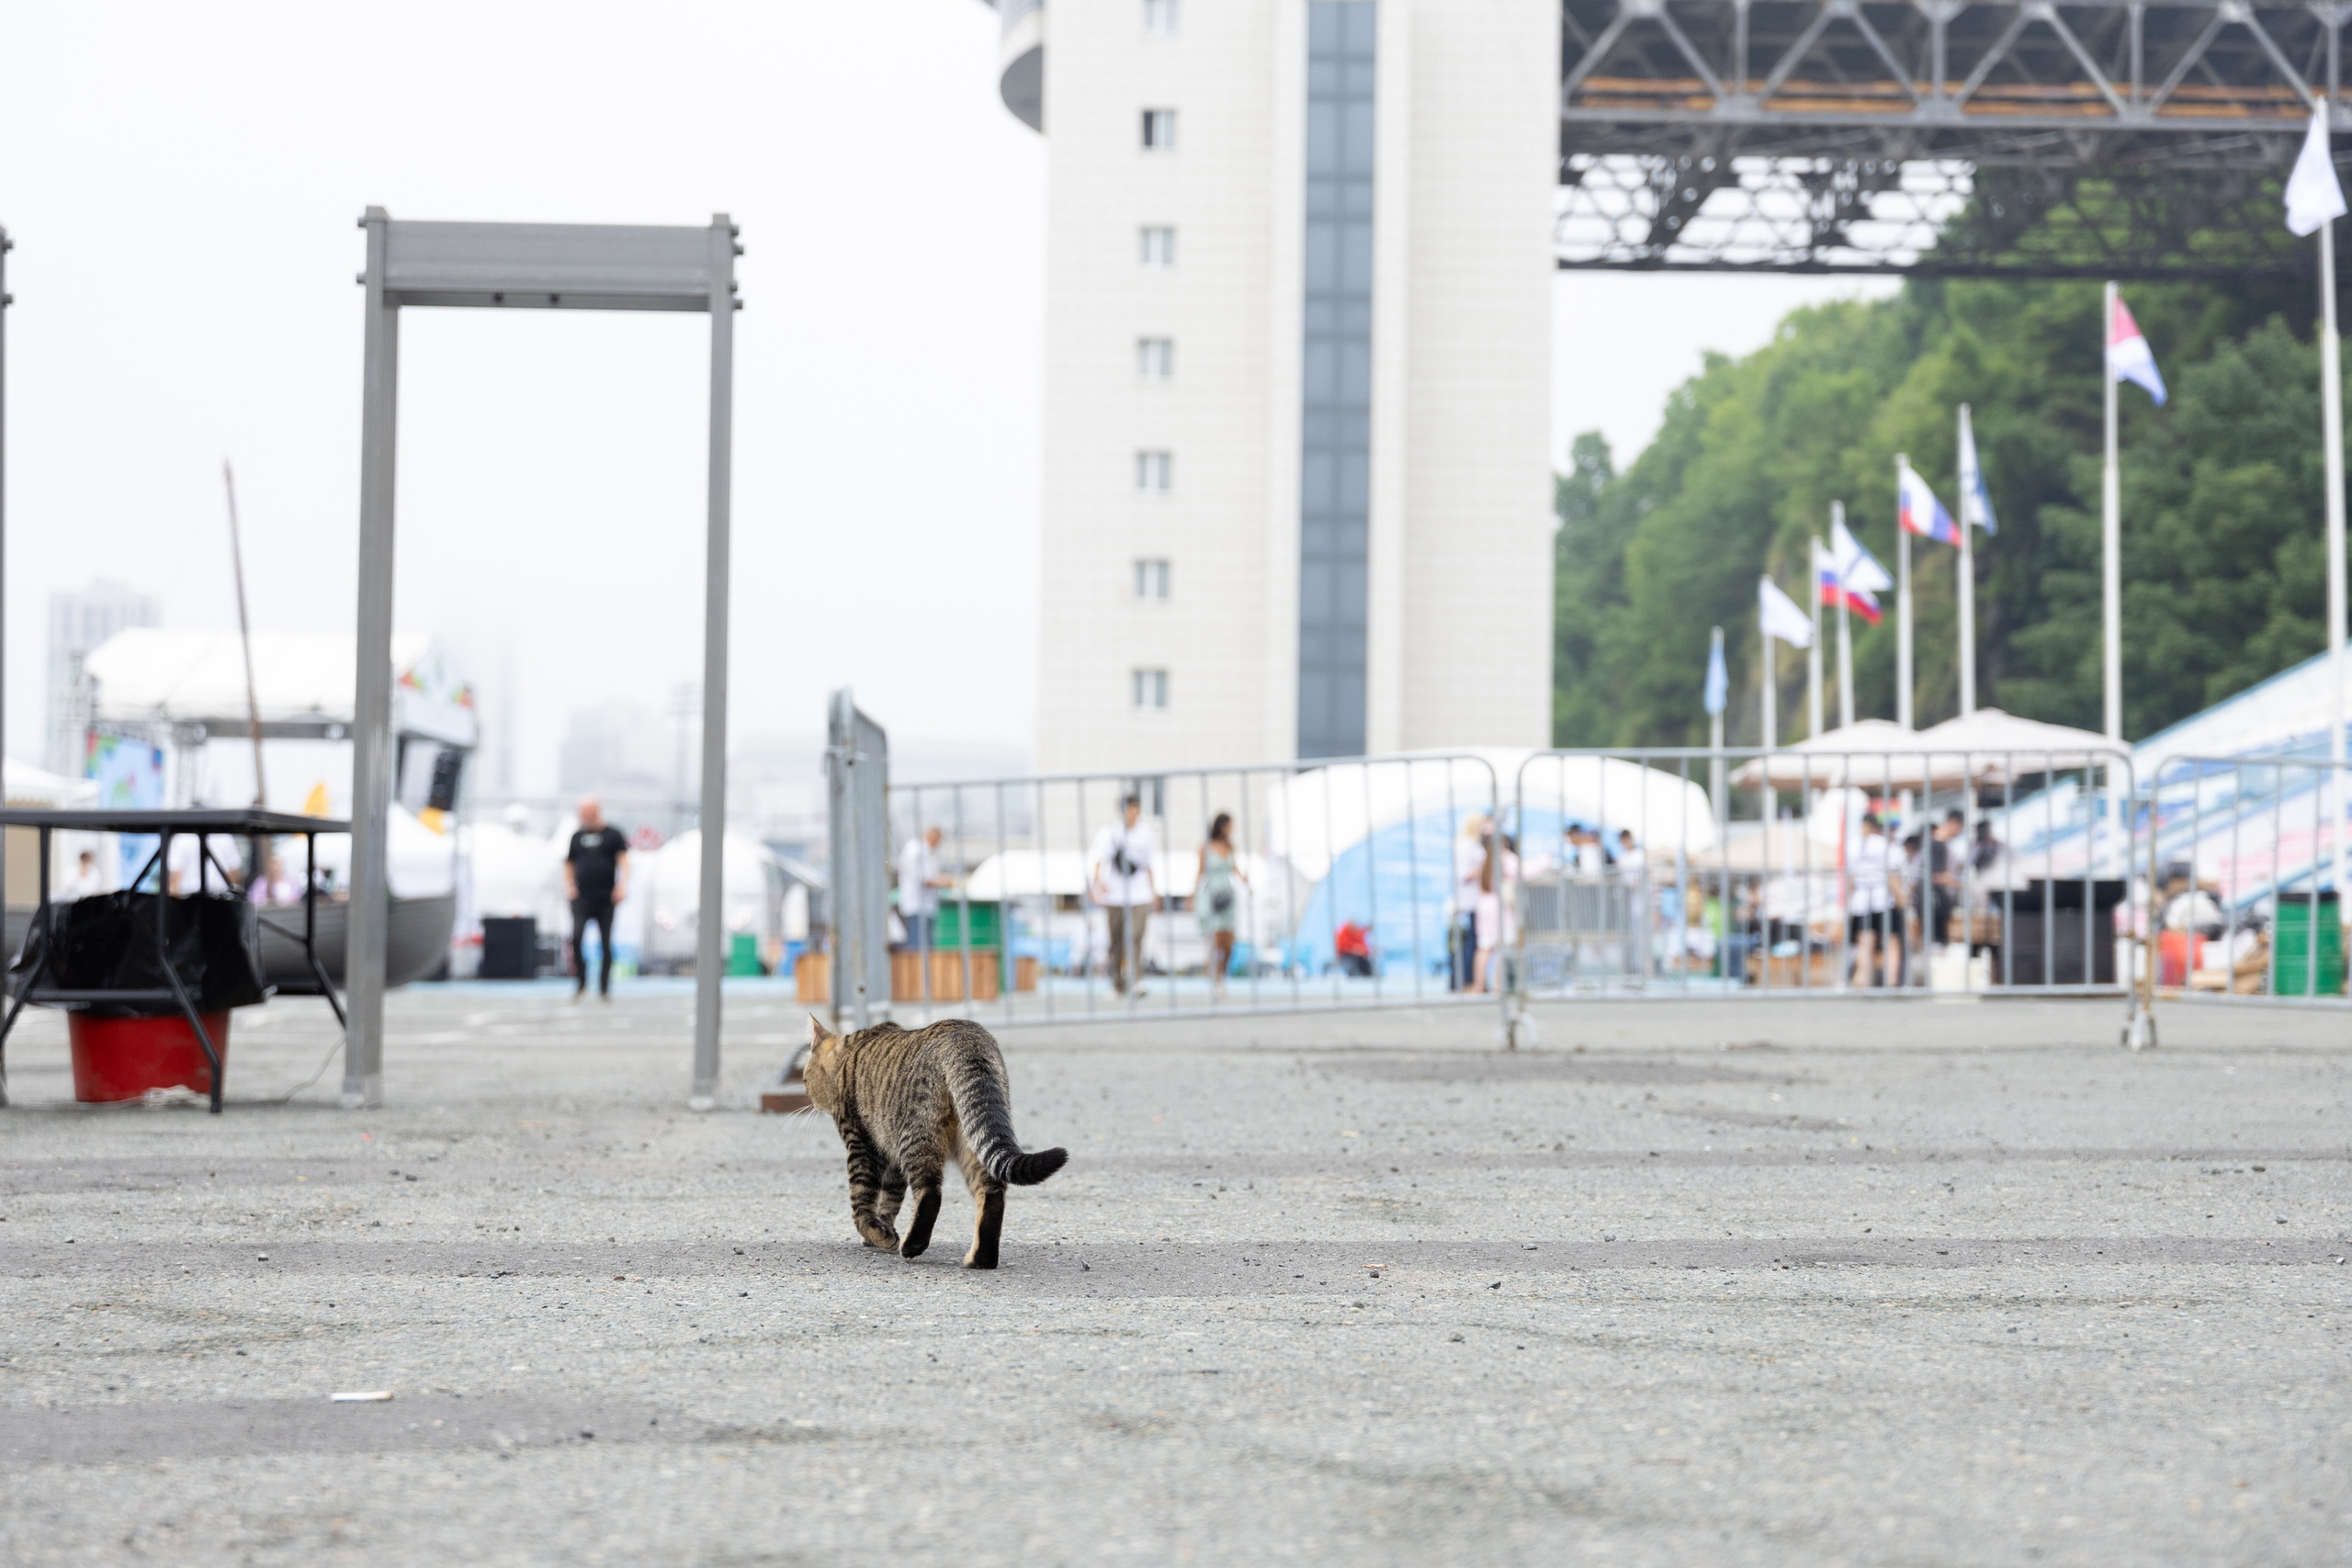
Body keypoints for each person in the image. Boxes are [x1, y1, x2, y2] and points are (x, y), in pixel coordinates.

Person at [1089, 794, 1159, 998]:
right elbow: (1099, 860)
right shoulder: (1110, 832)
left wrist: (1154, 891)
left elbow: (1149, 864)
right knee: (1116, 939)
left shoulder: (1146, 833)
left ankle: (1137, 980)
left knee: (1136, 935)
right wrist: (1097, 884)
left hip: (1140, 893)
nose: (1132, 812)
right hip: (1115, 894)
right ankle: (1117, 983)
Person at [563, 796, 629, 1002]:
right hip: (582, 898)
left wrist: (621, 886)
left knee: (605, 943)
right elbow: (569, 863)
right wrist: (570, 887)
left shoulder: (613, 834)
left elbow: (624, 862)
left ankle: (604, 987)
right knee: (576, 937)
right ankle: (581, 983)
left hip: (605, 898)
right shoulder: (576, 836)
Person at [1195, 812, 1248, 1000]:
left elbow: (1235, 868)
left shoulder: (1230, 847)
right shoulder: (1206, 847)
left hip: (1228, 898)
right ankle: (1215, 981)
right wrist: (1193, 896)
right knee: (1214, 940)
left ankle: (1222, 976)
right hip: (1211, 896)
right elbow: (1200, 872)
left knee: (1229, 942)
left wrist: (1245, 882)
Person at [1846, 813, 1899, 987]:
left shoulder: (1852, 846)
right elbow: (1892, 875)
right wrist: (1902, 899)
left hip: (1861, 900)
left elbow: (1850, 879)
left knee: (1865, 943)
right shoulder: (1883, 844)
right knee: (1891, 942)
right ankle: (1892, 982)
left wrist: (1847, 902)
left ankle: (1864, 981)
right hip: (1882, 897)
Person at [1470, 833, 1520, 995]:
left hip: (1484, 905)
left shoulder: (1484, 860)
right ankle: (1498, 986)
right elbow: (1524, 871)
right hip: (1500, 907)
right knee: (1502, 947)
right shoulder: (1506, 859)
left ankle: (1479, 985)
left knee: (1484, 947)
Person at [896, 825, 953, 953]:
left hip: (925, 906)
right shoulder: (915, 851)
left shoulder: (924, 851)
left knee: (927, 946)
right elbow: (922, 879)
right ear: (934, 838)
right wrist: (943, 882)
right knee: (917, 946)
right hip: (916, 904)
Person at [1452, 814, 1488, 991]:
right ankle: (1466, 983)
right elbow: (1464, 875)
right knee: (1470, 945)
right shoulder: (1465, 845)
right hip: (1470, 901)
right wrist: (1485, 867)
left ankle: (1472, 982)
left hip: (1477, 901)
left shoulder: (1473, 844)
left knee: (1473, 944)